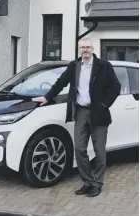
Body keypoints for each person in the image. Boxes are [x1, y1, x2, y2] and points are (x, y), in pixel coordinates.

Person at [32, 37, 121, 197]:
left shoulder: (104, 66)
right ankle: (87, 181)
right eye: (82, 47)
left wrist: (104, 105)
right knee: (79, 148)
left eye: (88, 47)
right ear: (79, 49)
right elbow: (61, 82)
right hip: (80, 112)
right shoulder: (74, 66)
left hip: (99, 113)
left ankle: (97, 183)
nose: (85, 50)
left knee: (100, 151)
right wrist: (47, 97)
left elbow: (116, 87)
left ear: (93, 49)